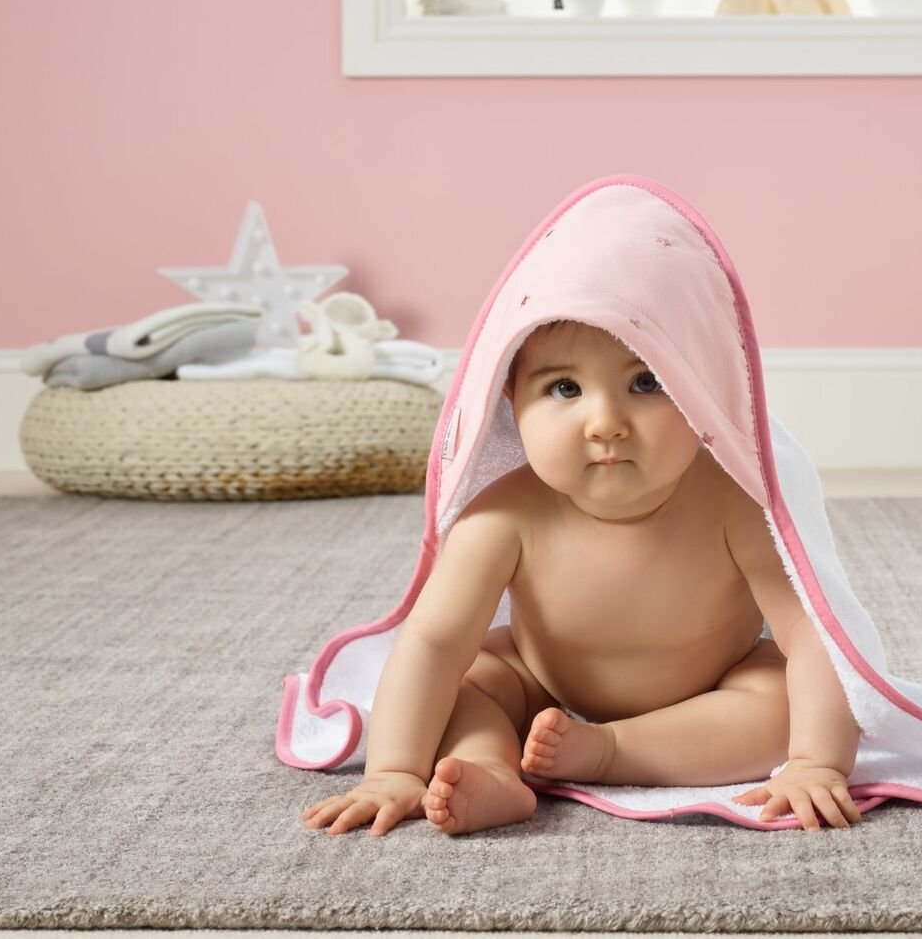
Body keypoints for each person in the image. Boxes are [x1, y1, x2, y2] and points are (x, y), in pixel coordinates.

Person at [299, 318, 863, 837]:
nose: (607, 425)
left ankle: (612, 751)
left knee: (780, 698)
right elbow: (434, 642)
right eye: (565, 389)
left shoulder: (736, 504)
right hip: (543, 683)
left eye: (646, 383)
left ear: (705, 395)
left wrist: (816, 761)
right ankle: (488, 770)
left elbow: (812, 629)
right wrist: (394, 770)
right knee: (469, 681)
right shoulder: (503, 516)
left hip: (712, 684)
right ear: (510, 400)